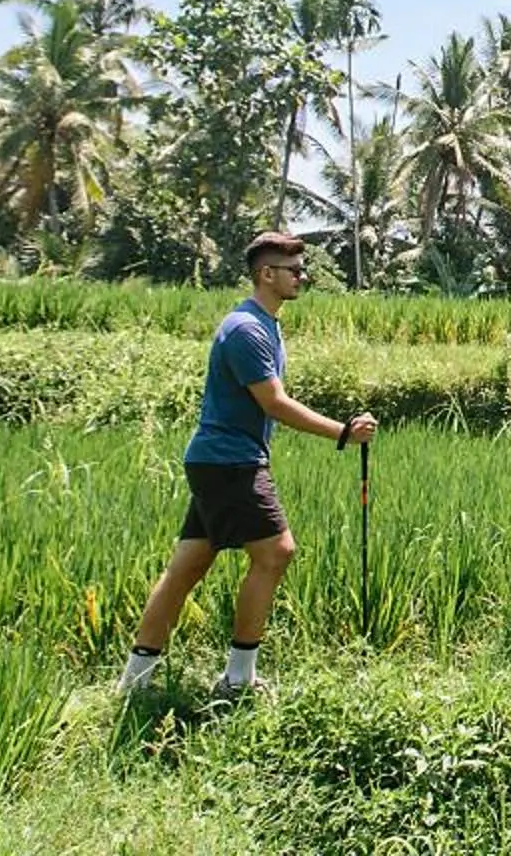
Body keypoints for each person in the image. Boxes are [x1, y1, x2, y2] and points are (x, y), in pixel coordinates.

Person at [117, 231, 378, 698]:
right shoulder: (247, 330)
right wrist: (341, 432)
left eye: (303, 268)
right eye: (294, 270)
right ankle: (238, 680)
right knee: (277, 552)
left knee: (187, 567)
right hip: (232, 461)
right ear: (266, 274)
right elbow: (274, 403)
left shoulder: (265, 324)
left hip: (216, 461)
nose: (303, 276)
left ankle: (134, 682)